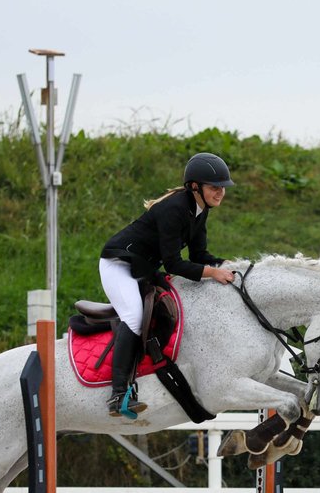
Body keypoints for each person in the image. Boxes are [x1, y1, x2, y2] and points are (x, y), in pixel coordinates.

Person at [98, 152, 237, 417]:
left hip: (143, 267)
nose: (221, 192)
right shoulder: (174, 209)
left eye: (223, 187)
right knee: (134, 316)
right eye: (214, 187)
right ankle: (117, 395)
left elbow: (199, 256)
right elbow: (174, 264)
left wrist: (228, 265)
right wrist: (212, 272)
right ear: (195, 186)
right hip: (119, 264)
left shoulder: (199, 210)